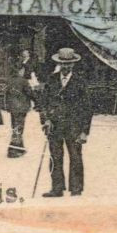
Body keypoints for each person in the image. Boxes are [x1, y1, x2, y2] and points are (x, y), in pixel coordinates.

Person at [39, 47, 92, 197]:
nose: (66, 67)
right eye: (63, 63)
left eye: (69, 64)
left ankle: (76, 188)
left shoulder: (80, 82)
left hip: (74, 126)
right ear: (59, 63)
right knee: (55, 157)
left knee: (75, 157)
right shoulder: (52, 80)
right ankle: (57, 188)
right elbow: (43, 103)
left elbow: (87, 108)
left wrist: (84, 131)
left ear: (73, 64)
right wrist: (46, 120)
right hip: (54, 126)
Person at [5, 48, 39, 159]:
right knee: (19, 128)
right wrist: (38, 102)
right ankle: (13, 151)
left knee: (15, 127)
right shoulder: (23, 81)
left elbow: (6, 94)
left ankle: (20, 148)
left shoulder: (10, 80)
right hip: (21, 107)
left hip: (12, 107)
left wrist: (7, 105)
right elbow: (30, 94)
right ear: (20, 71)